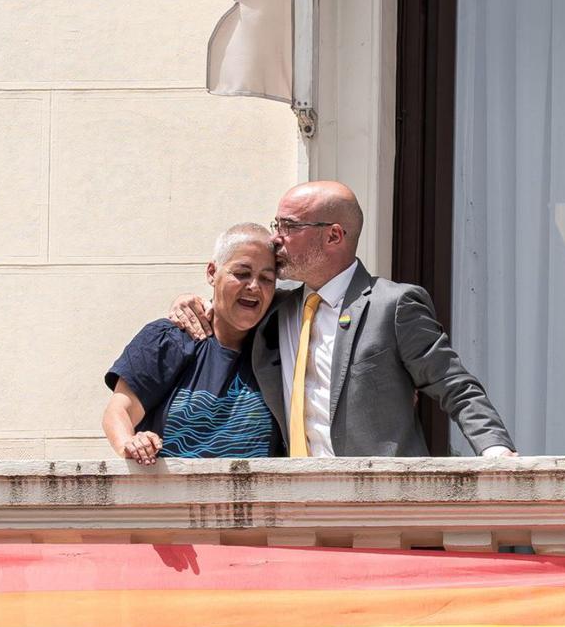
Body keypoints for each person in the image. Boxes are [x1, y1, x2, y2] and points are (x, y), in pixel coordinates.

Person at [169, 181, 516, 458]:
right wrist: (192, 300)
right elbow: (230, 299)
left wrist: (496, 451)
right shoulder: (275, 304)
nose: (275, 238)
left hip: (379, 508)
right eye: (277, 224)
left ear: (333, 235)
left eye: (289, 225)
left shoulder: (393, 305)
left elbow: (456, 386)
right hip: (294, 509)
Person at [103, 223, 281, 465]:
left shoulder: (282, 343)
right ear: (211, 273)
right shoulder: (170, 338)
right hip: (172, 499)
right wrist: (130, 442)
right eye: (241, 273)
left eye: (267, 278)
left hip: (258, 502)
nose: (253, 286)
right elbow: (119, 410)